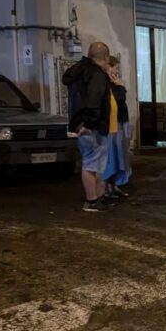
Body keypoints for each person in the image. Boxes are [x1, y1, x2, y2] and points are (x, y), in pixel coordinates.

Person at [62, 42, 113, 212]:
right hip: (92, 126)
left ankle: (97, 198)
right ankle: (92, 200)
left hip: (81, 122)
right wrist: (90, 123)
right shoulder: (97, 75)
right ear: (105, 58)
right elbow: (94, 99)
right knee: (92, 163)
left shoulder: (79, 71)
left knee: (93, 162)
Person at [102, 57, 132, 200]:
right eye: (115, 68)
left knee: (119, 156)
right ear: (107, 67)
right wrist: (120, 86)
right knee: (112, 157)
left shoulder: (111, 83)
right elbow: (119, 99)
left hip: (119, 122)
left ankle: (114, 186)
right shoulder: (107, 84)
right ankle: (107, 188)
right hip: (112, 126)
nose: (116, 71)